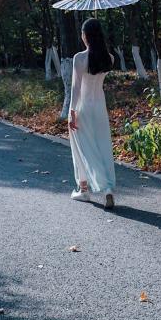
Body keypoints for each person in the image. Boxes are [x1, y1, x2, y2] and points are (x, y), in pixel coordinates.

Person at [68, 17, 116, 209]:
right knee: (102, 146)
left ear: (85, 36)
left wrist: (71, 112)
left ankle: (84, 189)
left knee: (81, 148)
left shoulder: (79, 58)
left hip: (83, 108)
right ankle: (108, 190)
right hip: (100, 108)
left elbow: (75, 88)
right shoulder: (109, 58)